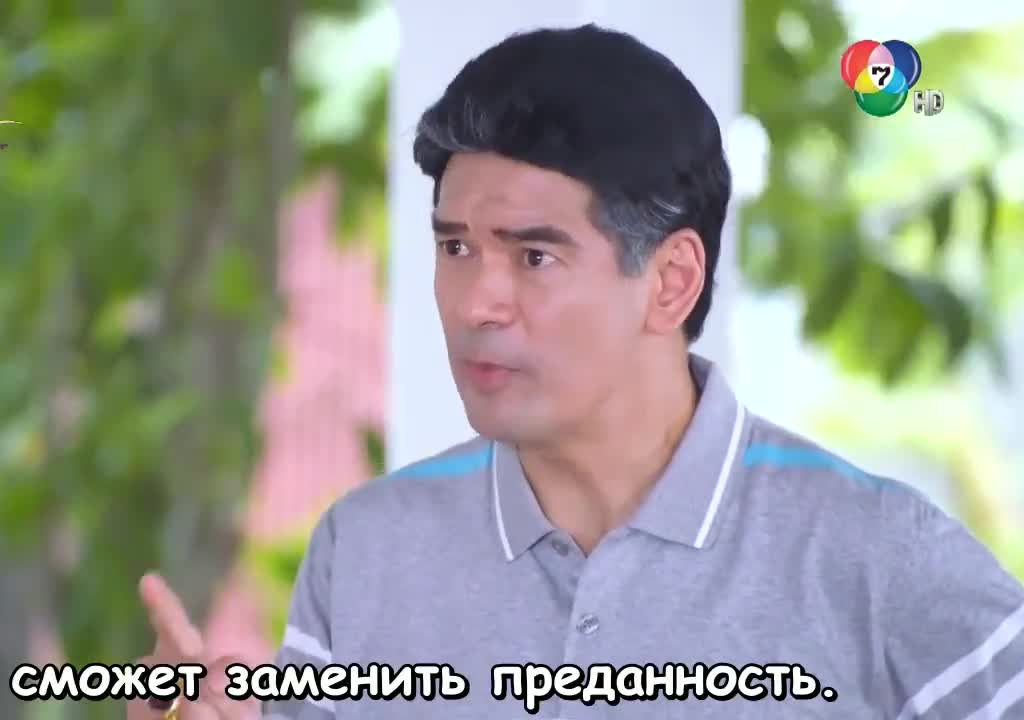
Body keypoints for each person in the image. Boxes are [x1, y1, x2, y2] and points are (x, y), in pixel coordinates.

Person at [128, 24, 1024, 719]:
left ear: (670, 282)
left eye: (534, 256)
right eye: (456, 247)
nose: (478, 302)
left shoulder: (880, 558)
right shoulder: (364, 552)